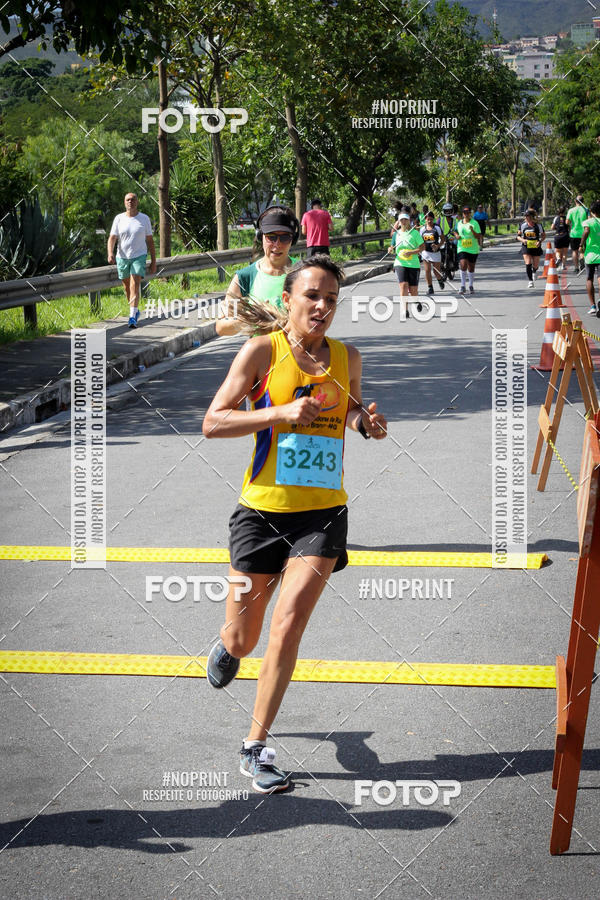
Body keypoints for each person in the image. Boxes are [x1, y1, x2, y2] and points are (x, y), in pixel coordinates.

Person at [203, 255, 387, 794]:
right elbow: (213, 422)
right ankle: (226, 644)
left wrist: (365, 423)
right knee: (244, 638)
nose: (323, 306)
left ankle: (254, 747)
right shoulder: (263, 350)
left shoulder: (347, 356)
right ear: (288, 299)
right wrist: (277, 414)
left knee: (287, 627)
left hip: (323, 514)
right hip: (260, 513)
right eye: (312, 296)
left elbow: (350, 411)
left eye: (332, 298)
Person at [216, 206, 300, 337]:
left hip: (296, 355)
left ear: (293, 240)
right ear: (261, 237)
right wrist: (251, 317)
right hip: (261, 356)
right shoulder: (245, 277)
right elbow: (221, 327)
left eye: (284, 238)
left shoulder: (304, 272)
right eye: (271, 237)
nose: (277, 244)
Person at [108, 193, 156, 328]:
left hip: (139, 256)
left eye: (133, 199)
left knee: (135, 284)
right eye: (128, 200)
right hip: (122, 257)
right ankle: (134, 310)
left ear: (137, 202)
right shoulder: (119, 219)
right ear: (124, 203)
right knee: (127, 287)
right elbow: (112, 238)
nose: (130, 202)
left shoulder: (144, 219)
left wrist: (153, 261)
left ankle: (132, 317)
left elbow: (150, 241)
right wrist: (110, 253)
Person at [388, 211, 425, 315]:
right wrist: (390, 249)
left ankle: (416, 300)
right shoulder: (396, 234)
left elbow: (422, 247)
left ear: (409, 221)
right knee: (403, 285)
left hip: (413, 264)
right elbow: (392, 246)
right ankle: (405, 310)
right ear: (399, 222)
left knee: (413, 290)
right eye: (401, 220)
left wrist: (412, 252)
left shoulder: (414, 233)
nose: (403, 222)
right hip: (400, 263)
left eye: (405, 220)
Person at [456, 205, 483, 294]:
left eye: (468, 212)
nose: (466, 214)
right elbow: (454, 230)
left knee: (471, 268)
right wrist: (456, 235)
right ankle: (462, 286)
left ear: (470, 213)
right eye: (464, 212)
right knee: (463, 265)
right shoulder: (459, 223)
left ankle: (471, 285)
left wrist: (472, 230)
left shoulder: (474, 223)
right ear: (462, 214)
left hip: (473, 249)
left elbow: (478, 236)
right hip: (462, 247)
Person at [580, 200, 600, 316]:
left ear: (592, 211)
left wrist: (580, 245)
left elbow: (586, 231)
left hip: (590, 256)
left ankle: (592, 306)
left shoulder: (588, 222)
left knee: (589, 279)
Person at [517, 208, 546, 288]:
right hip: (526, 246)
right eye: (525, 216)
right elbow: (518, 237)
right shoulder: (522, 225)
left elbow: (543, 235)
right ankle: (530, 281)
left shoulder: (538, 225)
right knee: (528, 263)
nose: (526, 217)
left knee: (536, 265)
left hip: (536, 246)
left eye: (528, 216)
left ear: (532, 217)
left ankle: (534, 271)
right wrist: (523, 240)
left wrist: (539, 241)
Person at [420, 211, 445, 294]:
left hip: (435, 253)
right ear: (425, 220)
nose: (429, 221)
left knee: (436, 271)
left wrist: (437, 246)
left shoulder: (437, 228)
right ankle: (430, 287)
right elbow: (420, 241)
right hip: (426, 252)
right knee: (427, 270)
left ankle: (440, 280)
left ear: (433, 219)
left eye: (431, 219)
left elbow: (443, 239)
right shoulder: (422, 229)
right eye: (428, 220)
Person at [566, 195, 590, 273]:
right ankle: (582, 259)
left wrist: (573, 223)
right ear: (583, 201)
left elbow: (567, 222)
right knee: (582, 250)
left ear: (575, 201)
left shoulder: (571, 210)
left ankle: (576, 268)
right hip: (584, 233)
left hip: (574, 233)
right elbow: (589, 220)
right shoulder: (586, 209)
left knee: (574, 251)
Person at [438, 202, 458, 282]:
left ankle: (456, 262)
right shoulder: (440, 220)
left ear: (452, 211)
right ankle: (440, 264)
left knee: (456, 245)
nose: (448, 212)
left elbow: (459, 229)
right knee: (437, 249)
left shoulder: (456, 220)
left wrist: (456, 235)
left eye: (449, 211)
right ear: (443, 211)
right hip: (443, 239)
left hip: (452, 238)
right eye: (446, 211)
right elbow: (436, 227)